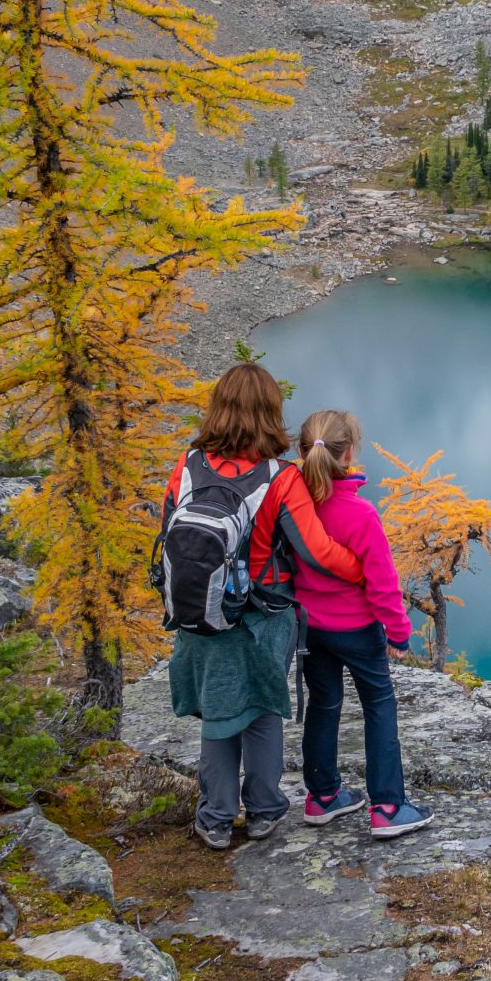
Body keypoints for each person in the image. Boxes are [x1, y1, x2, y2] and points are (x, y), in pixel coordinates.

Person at [162, 363, 364, 850]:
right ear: (271, 414)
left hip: (200, 613)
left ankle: (214, 816)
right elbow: (316, 550)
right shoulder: (280, 478)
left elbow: (175, 539)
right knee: (261, 712)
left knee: (218, 713)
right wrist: (363, 569)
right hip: (259, 615)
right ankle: (264, 809)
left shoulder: (186, 466)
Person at [291, 409, 433, 839]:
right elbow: (382, 582)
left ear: (303, 452)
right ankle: (388, 806)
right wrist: (399, 634)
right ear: (349, 453)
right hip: (355, 629)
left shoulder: (294, 506)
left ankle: (323, 796)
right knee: (379, 704)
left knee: (325, 702)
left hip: (308, 626)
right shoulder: (360, 514)